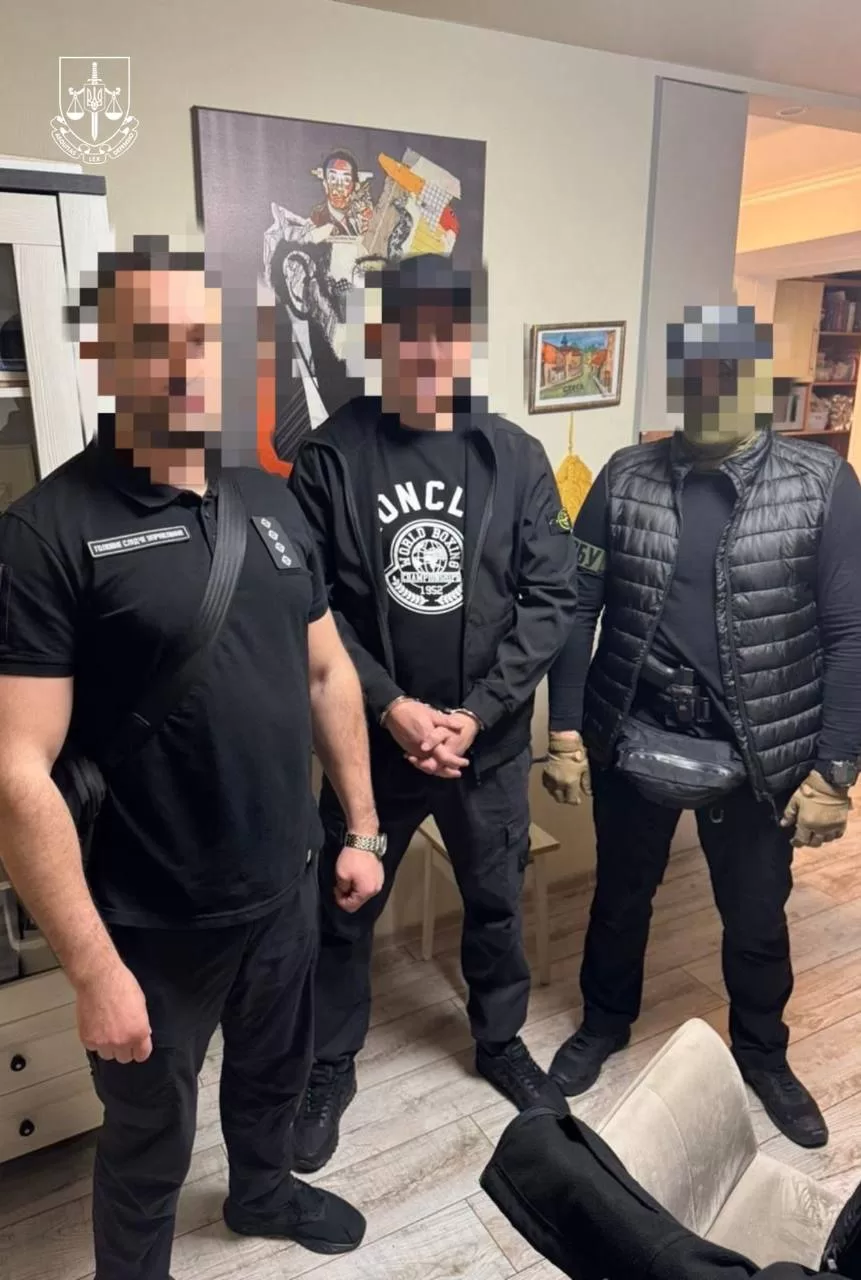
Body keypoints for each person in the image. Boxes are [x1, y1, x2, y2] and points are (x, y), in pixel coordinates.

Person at [0, 237, 383, 1280]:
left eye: (201, 337)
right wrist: (93, 970)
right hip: (149, 925)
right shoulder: (44, 535)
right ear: (101, 353)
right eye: (151, 339)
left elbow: (325, 670)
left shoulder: (270, 499)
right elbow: (16, 772)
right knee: (146, 1137)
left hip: (286, 888)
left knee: (273, 1076)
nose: (182, 362)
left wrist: (360, 827)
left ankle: (262, 1193)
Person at [542, 305, 861, 1149]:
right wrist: (564, 732)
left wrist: (835, 771)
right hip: (633, 730)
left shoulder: (820, 482)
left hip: (763, 749)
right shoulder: (625, 475)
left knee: (754, 918)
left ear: (759, 384)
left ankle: (762, 1055)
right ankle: (603, 1022)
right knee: (620, 898)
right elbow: (577, 605)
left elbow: (849, 633)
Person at [289, 253, 578, 1173]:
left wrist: (478, 714)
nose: (428, 353)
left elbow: (551, 598)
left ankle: (498, 1041)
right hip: (371, 750)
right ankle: (329, 1063)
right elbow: (312, 609)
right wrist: (390, 708)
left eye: (446, 334)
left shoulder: (513, 456)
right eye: (407, 334)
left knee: (494, 901)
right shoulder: (330, 457)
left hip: (483, 748)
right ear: (379, 340)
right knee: (343, 910)